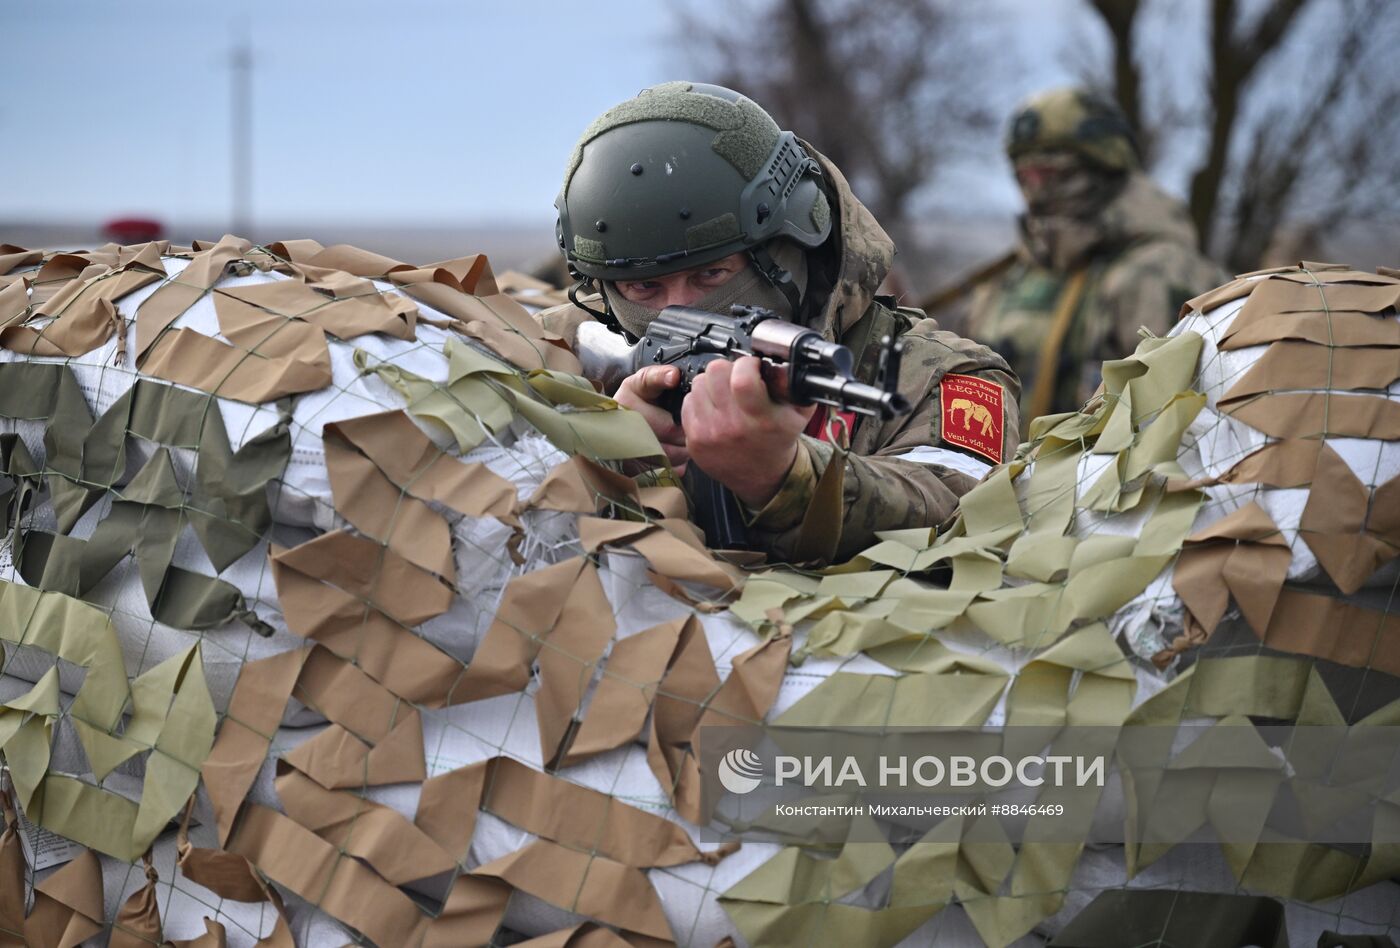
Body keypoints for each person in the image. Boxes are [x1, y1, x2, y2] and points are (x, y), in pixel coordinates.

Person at [540, 82, 1019, 564]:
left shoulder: (940, 376)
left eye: (712, 274)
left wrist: (782, 475)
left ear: (794, 249)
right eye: (643, 288)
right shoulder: (554, 348)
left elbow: (960, 512)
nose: (677, 312)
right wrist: (599, 453)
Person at [966, 87, 1226, 424]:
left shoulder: (1158, 273)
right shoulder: (1009, 278)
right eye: (1024, 174)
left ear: (1103, 168)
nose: (1035, 189)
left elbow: (1171, 423)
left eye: (1049, 173)